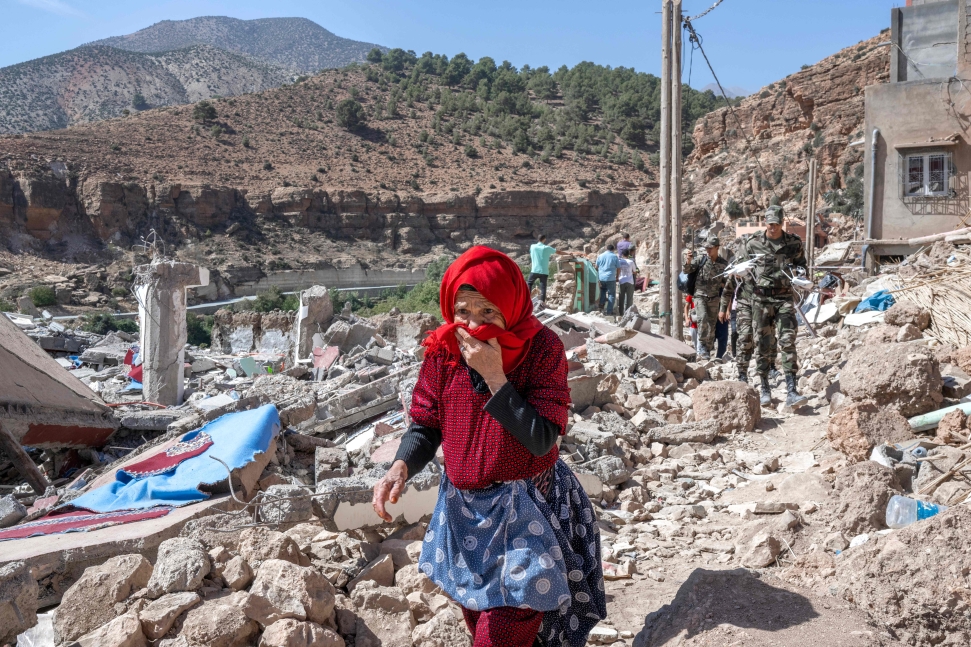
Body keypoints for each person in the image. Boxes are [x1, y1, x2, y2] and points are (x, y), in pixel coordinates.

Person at [372, 246, 605, 647]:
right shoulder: (444, 352)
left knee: (502, 628)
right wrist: (400, 466)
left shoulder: (542, 349)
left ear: (511, 308)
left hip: (527, 506)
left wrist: (495, 376)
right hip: (465, 511)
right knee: (478, 612)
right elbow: (426, 423)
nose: (473, 326)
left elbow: (542, 438)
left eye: (488, 313)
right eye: (463, 312)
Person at [743, 206, 809, 408]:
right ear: (765, 223)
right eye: (769, 223)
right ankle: (764, 388)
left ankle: (792, 390)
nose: (772, 227)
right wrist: (741, 273)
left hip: (784, 299)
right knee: (762, 344)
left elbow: (802, 265)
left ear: (782, 223)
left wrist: (800, 273)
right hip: (760, 300)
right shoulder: (753, 243)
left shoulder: (793, 243)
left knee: (788, 341)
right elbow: (742, 267)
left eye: (776, 223)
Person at [682, 235, 728, 360]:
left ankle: (707, 348)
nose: (708, 250)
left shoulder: (723, 264)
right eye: (707, 248)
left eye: (711, 248)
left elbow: (726, 283)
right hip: (700, 295)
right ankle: (702, 345)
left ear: (717, 248)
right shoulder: (701, 259)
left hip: (714, 297)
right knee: (702, 318)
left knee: (712, 324)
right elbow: (687, 270)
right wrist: (688, 260)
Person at [527, 234, 567, 303]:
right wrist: (568, 254)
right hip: (543, 271)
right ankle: (542, 303)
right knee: (543, 288)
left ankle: (526, 300)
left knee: (529, 284)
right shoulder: (546, 248)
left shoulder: (532, 246)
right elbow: (558, 252)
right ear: (544, 239)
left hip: (534, 270)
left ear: (538, 239)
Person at [596, 244, 620, 316]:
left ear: (606, 248)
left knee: (603, 291)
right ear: (613, 249)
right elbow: (618, 268)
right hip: (610, 278)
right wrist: (617, 277)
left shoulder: (600, 256)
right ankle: (609, 312)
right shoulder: (614, 256)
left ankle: (601, 307)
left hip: (602, 277)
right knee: (611, 294)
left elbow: (596, 267)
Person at [616, 249, 637, 316]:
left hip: (621, 281)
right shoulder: (631, 262)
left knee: (621, 298)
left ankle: (621, 313)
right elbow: (635, 271)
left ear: (622, 254)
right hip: (630, 281)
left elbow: (617, 270)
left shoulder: (619, 261)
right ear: (628, 255)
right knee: (629, 299)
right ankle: (628, 314)